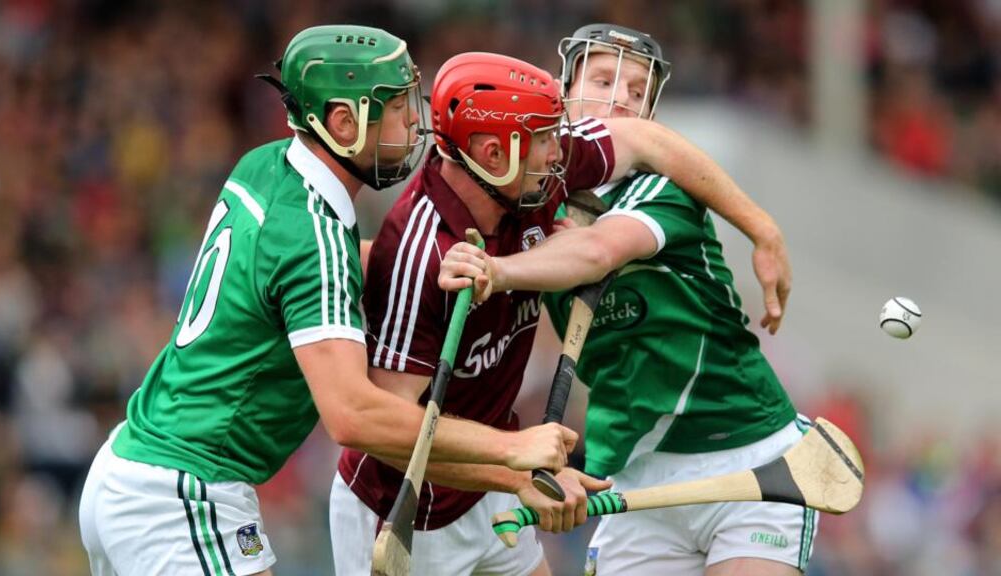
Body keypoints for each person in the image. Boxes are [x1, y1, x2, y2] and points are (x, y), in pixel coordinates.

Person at [77, 26, 578, 576]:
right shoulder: (310, 236)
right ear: (343, 122)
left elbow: (315, 268)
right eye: (395, 107)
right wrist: (511, 454)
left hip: (135, 472)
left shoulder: (268, 166)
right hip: (181, 494)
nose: (414, 123)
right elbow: (352, 415)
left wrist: (428, 264)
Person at [331, 50, 792, 576]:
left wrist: (762, 229)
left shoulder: (523, 173)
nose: (559, 153)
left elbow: (644, 140)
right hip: (407, 512)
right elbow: (389, 436)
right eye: (545, 140)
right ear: (492, 153)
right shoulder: (423, 255)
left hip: (493, 485)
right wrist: (516, 470)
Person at [439, 24, 816, 576]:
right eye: (603, 78)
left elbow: (596, 252)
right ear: (562, 92)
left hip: (747, 457)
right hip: (637, 476)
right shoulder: (526, 196)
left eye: (637, 90)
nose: (620, 97)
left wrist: (494, 271)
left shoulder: (666, 188)